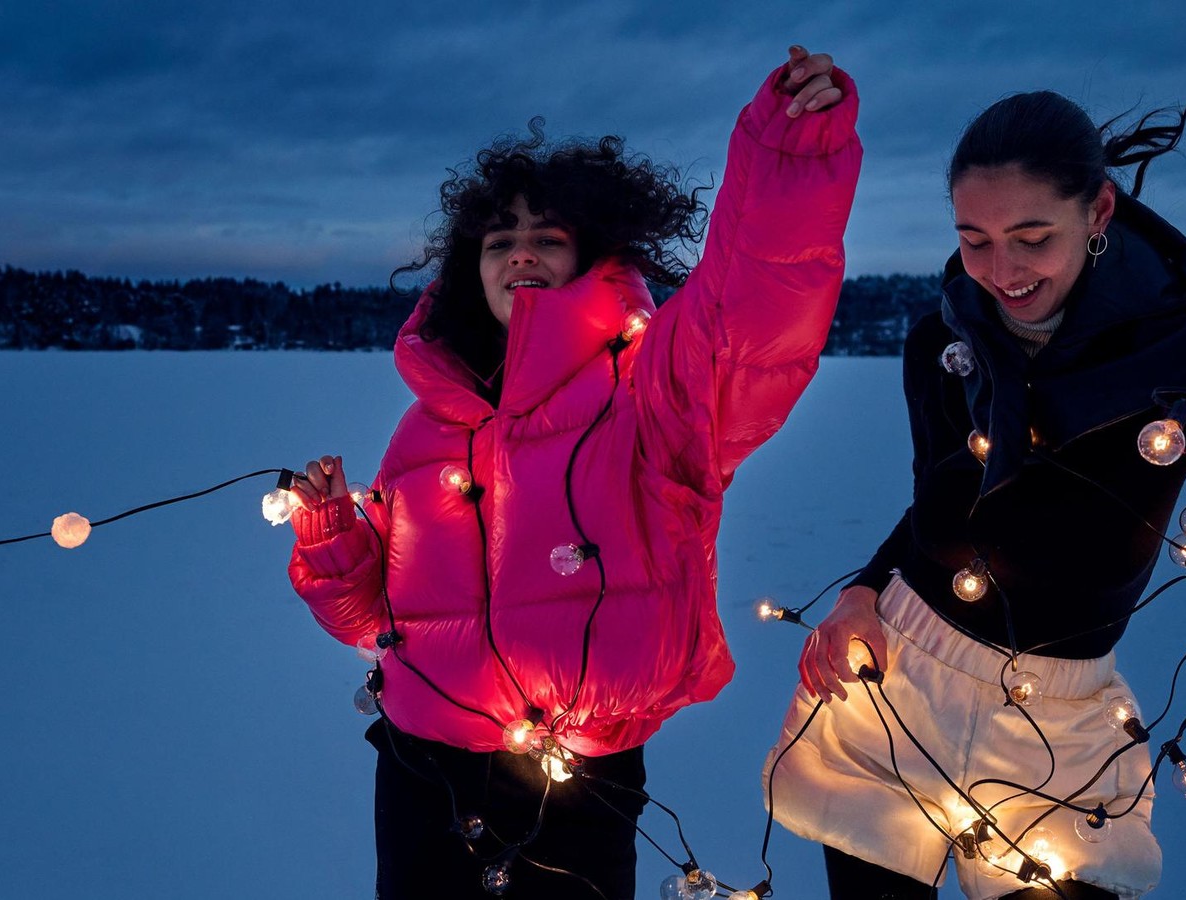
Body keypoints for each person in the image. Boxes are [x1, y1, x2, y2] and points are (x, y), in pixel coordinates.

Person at [283, 46, 861, 899]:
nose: (519, 255)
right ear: (466, 268)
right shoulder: (427, 426)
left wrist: (786, 157)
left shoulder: (650, 395)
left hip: (573, 786)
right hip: (417, 773)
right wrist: (334, 540)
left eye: (546, 239)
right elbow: (376, 623)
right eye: (499, 240)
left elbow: (750, 311)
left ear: (590, 256)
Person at [766, 91, 1186, 900]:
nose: (1002, 271)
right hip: (896, 684)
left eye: (1032, 237)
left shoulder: (1181, 354)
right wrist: (862, 591)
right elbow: (936, 507)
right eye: (974, 241)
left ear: (1099, 208)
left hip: (1061, 726)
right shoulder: (943, 342)